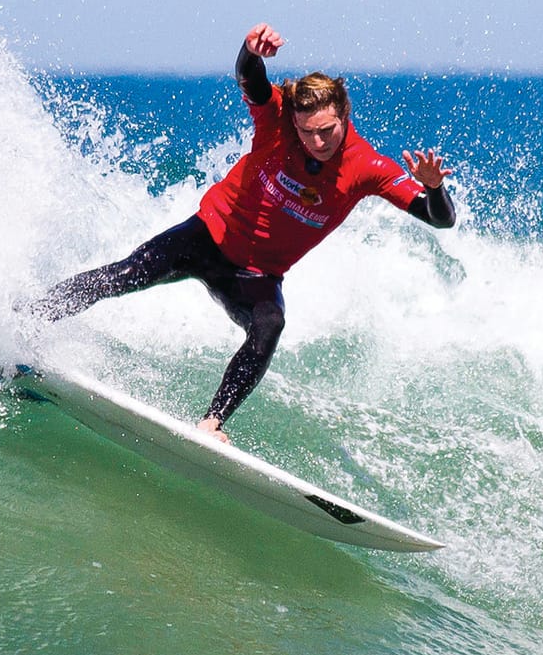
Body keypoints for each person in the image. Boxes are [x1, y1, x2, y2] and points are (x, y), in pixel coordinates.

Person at [29, 22, 456, 442]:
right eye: (307, 132)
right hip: (206, 237)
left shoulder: (367, 167)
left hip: (254, 276)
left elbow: (440, 219)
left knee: (270, 325)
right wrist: (251, 51)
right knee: (125, 274)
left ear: (345, 114)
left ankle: (211, 423)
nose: (317, 141)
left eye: (327, 130)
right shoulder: (277, 124)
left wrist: (434, 187)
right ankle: (26, 320)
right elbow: (249, 79)